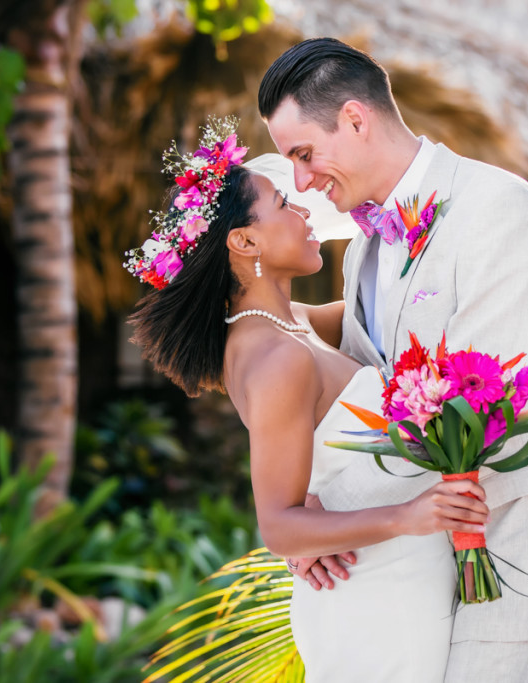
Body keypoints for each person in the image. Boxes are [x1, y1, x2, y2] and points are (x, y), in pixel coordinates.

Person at [258, 39, 528, 682]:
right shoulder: (363, 251)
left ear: (355, 119)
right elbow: (364, 398)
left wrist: (322, 521)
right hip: (416, 580)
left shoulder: (496, 211)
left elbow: (484, 408)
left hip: (514, 560)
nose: (304, 182)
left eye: (305, 155)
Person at [125, 119, 489, 682]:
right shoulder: (275, 358)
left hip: (397, 581)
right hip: (375, 597)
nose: (305, 212)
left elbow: (392, 303)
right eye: (284, 205)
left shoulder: (292, 325)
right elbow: (278, 526)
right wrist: (411, 516)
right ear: (244, 242)